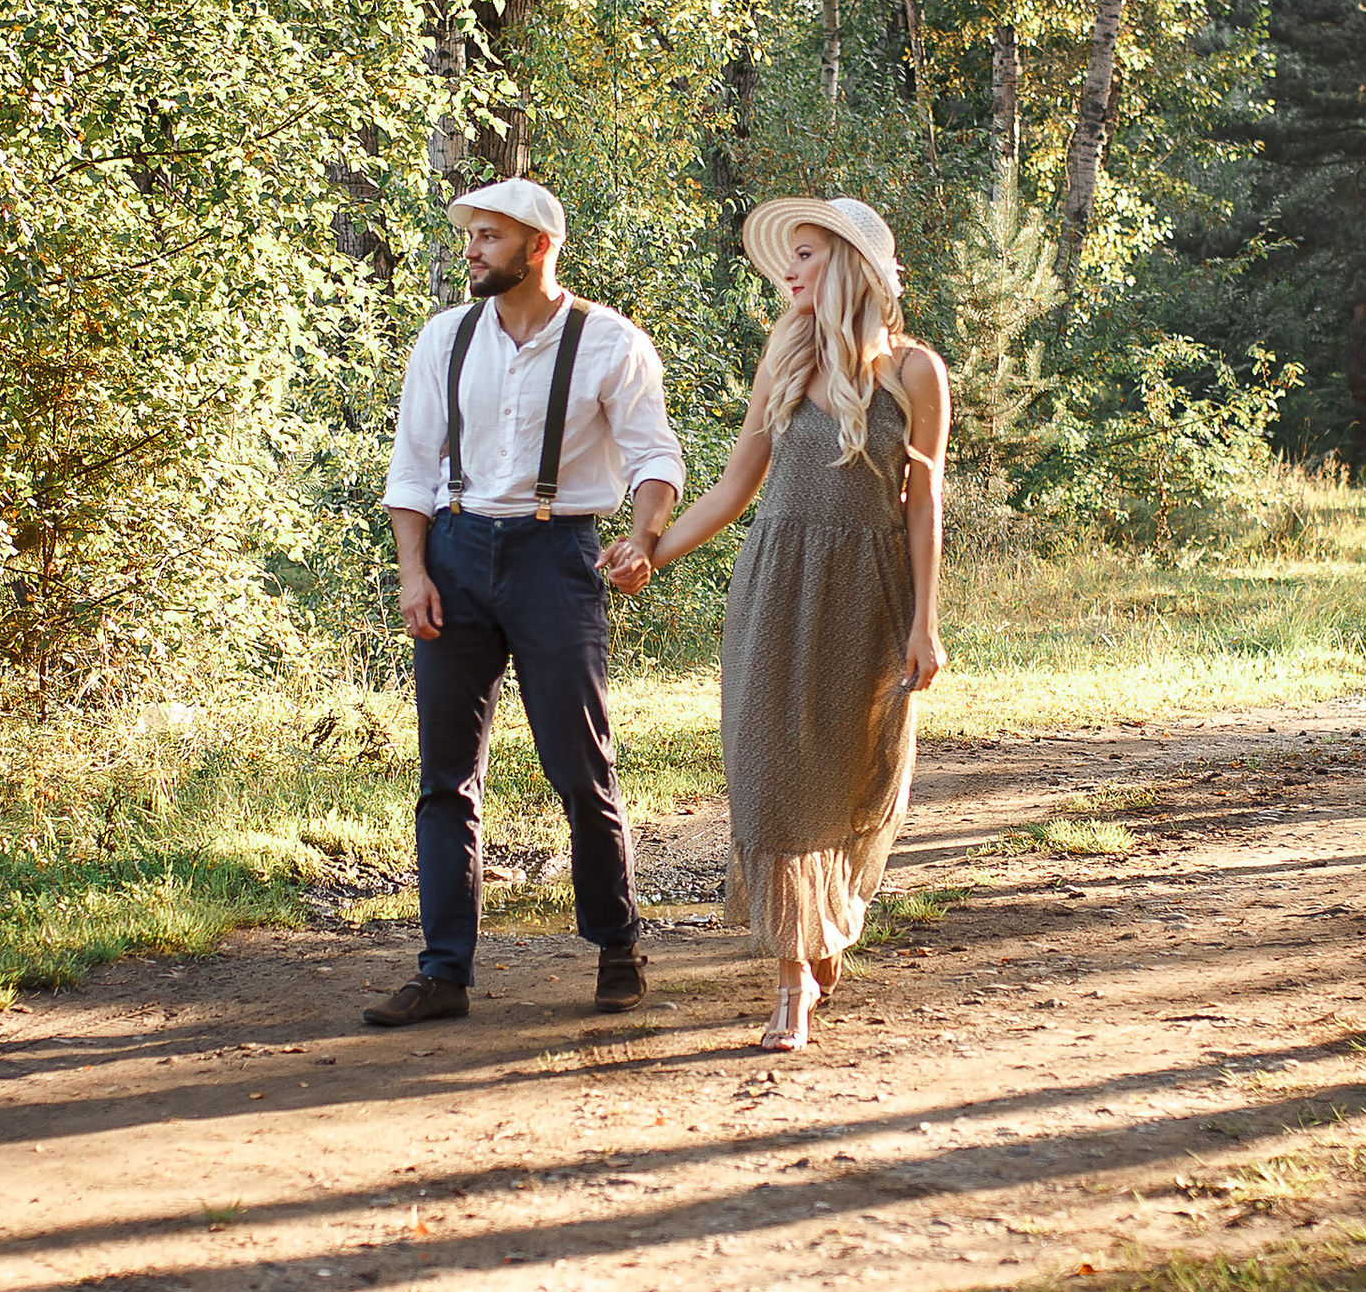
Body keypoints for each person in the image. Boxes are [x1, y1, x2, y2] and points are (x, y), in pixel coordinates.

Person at [609, 195, 947, 1051]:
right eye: (789, 255)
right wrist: (654, 549)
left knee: (856, 772)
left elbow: (923, 506)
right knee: (765, 776)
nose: (789, 271)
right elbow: (734, 488)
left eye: (806, 255)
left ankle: (827, 919)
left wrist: (927, 622)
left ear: (849, 266)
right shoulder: (783, 359)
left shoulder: (914, 373)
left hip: (869, 591)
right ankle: (793, 974)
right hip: (775, 583)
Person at [366, 177, 684, 1028]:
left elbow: (658, 459)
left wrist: (644, 538)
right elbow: (411, 467)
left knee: (579, 766)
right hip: (457, 551)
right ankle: (443, 974)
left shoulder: (610, 344)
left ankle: (617, 945)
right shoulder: (445, 339)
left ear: (538, 248)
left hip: (557, 553)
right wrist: (414, 572)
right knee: (446, 778)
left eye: (489, 238)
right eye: (470, 235)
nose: (471, 250)